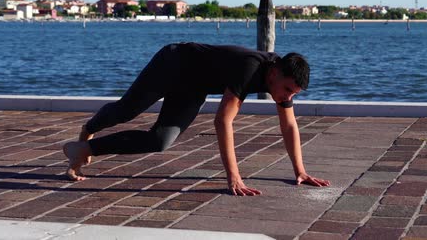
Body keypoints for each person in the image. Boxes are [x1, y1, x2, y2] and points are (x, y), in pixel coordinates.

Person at [63, 42, 330, 195]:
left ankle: (84, 149)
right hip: (171, 64)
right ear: (274, 74)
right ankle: (88, 129)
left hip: (193, 86)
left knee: (160, 140)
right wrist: (233, 177)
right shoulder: (250, 67)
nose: (288, 98)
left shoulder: (281, 83)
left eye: (293, 94)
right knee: (127, 111)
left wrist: (300, 171)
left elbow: (289, 124)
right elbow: (223, 121)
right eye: (287, 90)